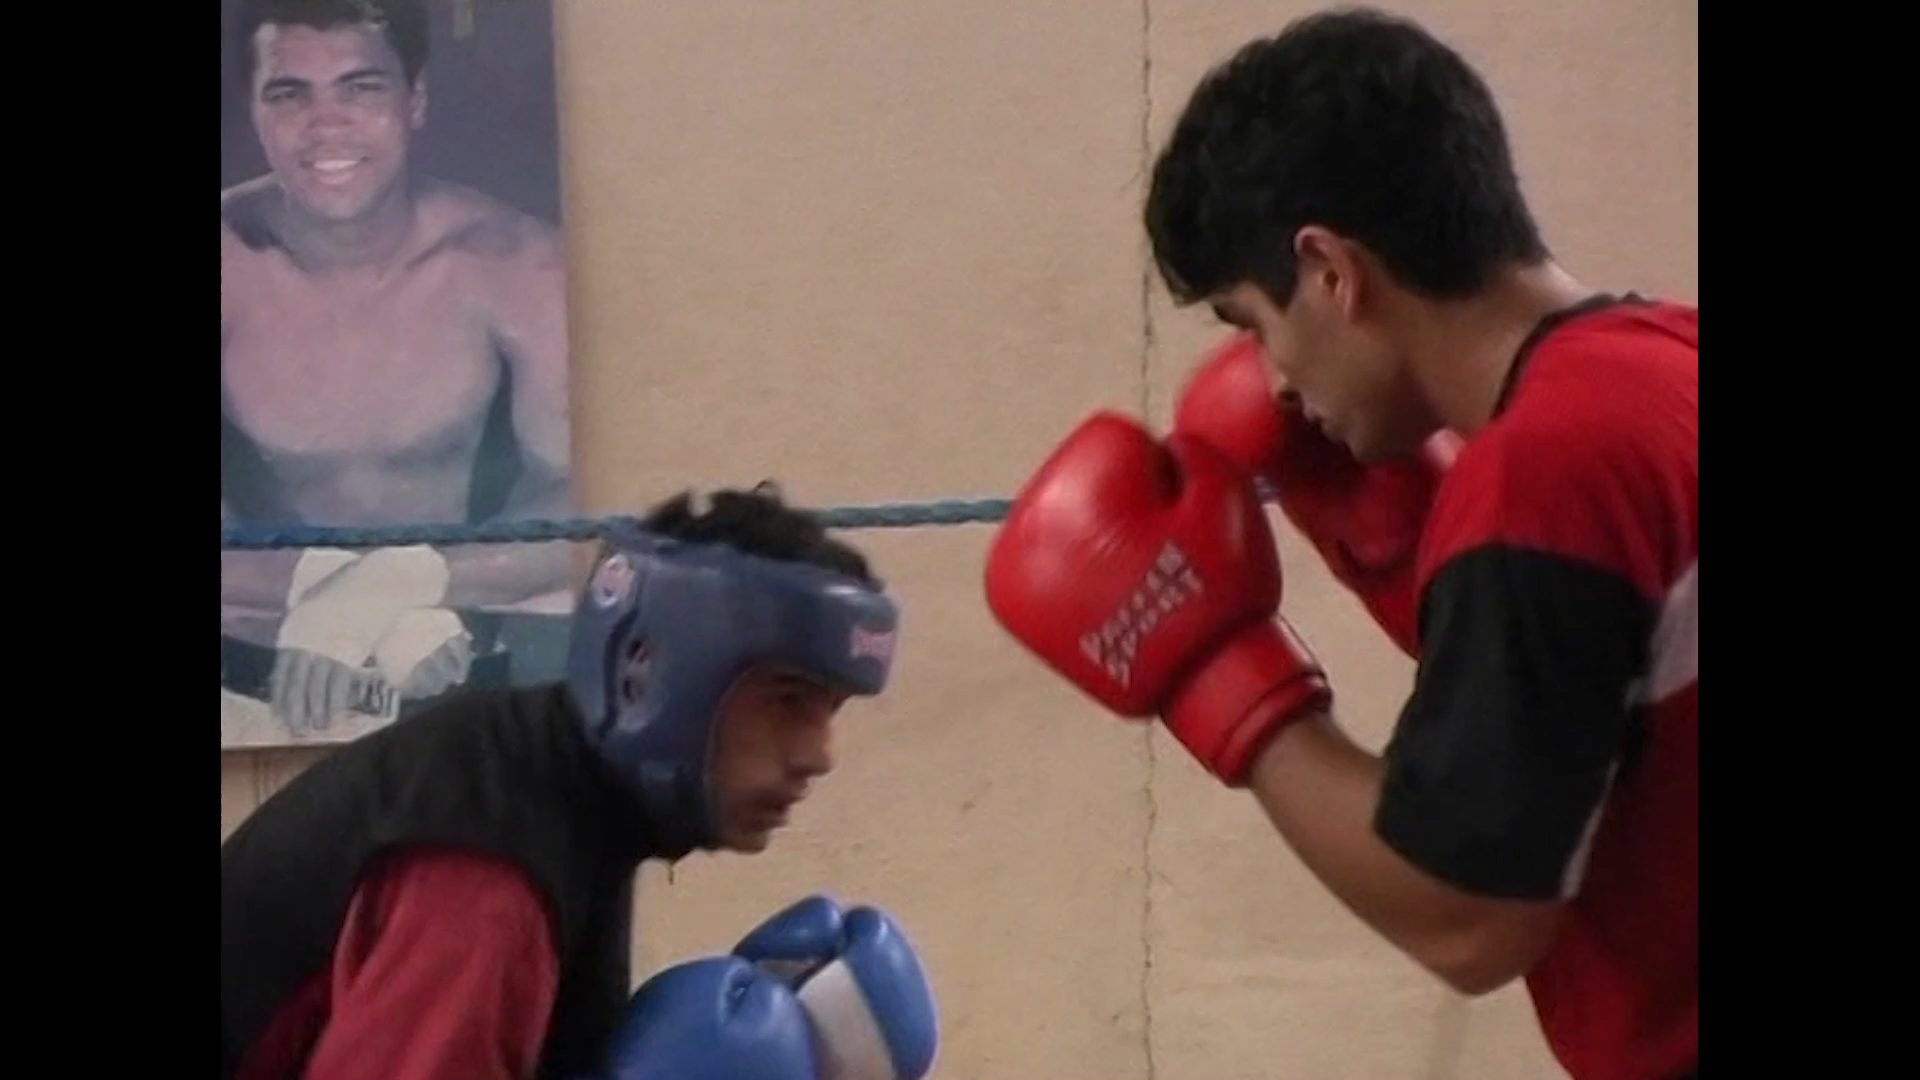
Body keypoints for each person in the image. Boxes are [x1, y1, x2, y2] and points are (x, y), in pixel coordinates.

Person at [983, 8, 1695, 1080]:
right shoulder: (1668, 362)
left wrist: (1221, 678)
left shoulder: (1543, 476)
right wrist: (1400, 550)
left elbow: (1471, 920)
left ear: (1328, 270)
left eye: (1253, 323)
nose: (1273, 381)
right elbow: (1598, 706)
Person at [220, 484, 939, 1080]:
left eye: (832, 709)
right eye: (788, 702)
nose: (819, 755)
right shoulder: (489, 876)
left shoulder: (559, 798)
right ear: (651, 670)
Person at [220, 0, 575, 738]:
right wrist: (336, 594)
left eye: (360, 88)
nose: (326, 126)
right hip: (251, 681)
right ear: (253, 110)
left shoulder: (517, 264)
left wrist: (402, 581)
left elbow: (581, 508)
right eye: (289, 93)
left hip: (458, 681)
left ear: (415, 101)